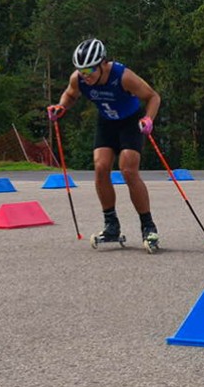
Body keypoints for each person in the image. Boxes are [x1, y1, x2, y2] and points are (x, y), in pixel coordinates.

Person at [47, 38, 161, 252]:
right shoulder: (79, 79)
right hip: (107, 122)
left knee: (128, 170)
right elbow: (70, 95)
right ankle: (111, 226)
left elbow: (153, 96)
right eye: (81, 70)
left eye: (89, 70)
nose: (85, 75)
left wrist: (149, 119)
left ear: (102, 64)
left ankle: (148, 226)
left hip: (129, 122)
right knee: (100, 168)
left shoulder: (123, 76)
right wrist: (61, 107)